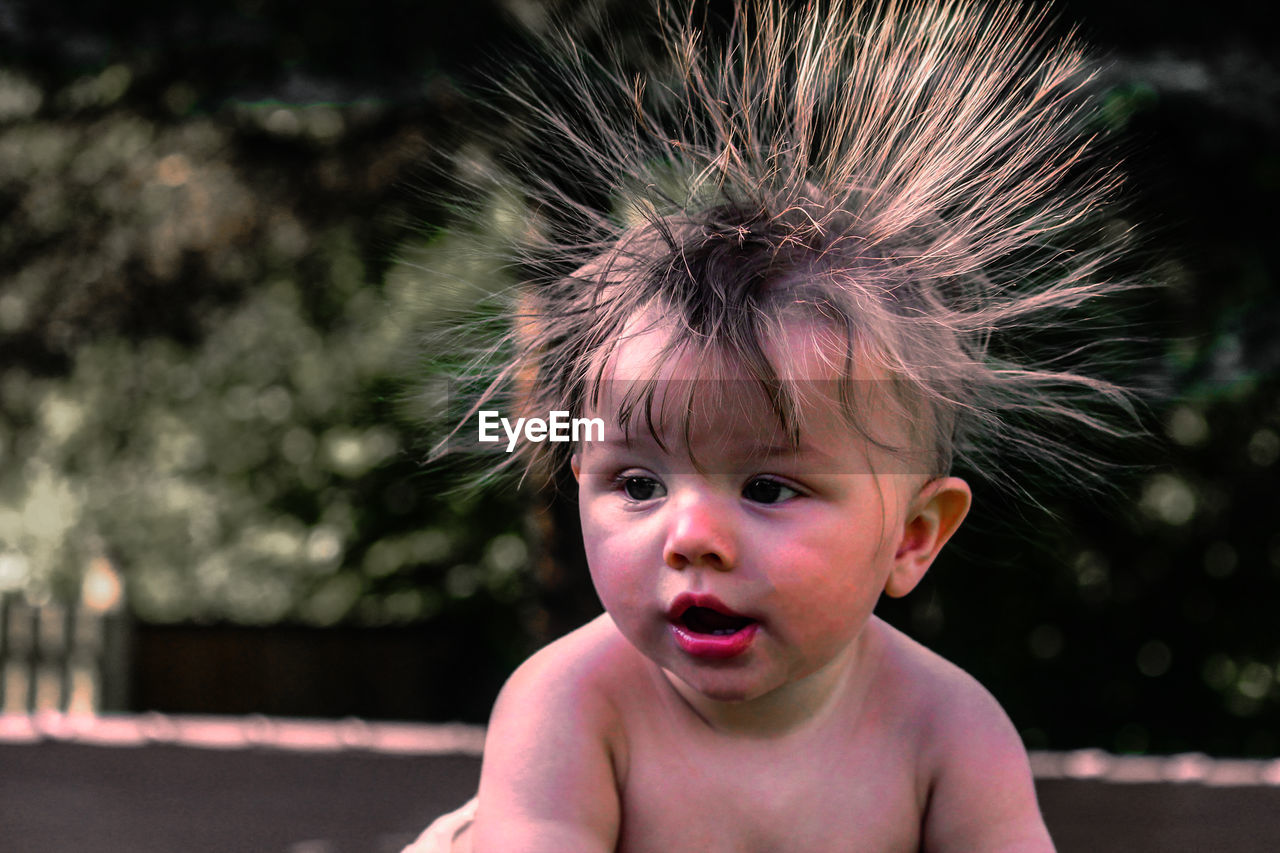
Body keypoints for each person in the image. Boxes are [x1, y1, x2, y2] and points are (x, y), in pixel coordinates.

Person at [408, 1, 1137, 849]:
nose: (692, 537)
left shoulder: (947, 732)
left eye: (767, 487)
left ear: (911, 536)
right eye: (637, 482)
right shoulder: (573, 703)